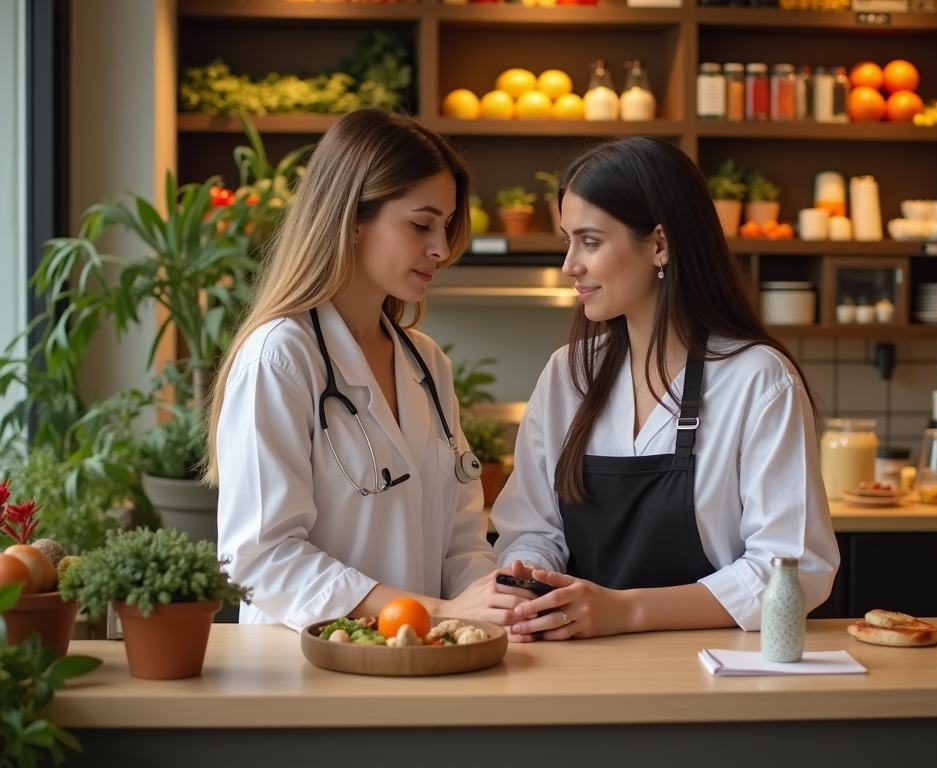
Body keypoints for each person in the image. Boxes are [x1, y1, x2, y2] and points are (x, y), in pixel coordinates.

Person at [488, 136, 840, 641]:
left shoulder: (758, 378)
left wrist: (625, 611)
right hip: (577, 661)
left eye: (589, 241)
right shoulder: (568, 375)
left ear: (659, 243)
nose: (570, 265)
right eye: (567, 240)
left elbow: (794, 568)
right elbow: (533, 529)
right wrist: (529, 579)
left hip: (716, 670)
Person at [205, 108, 525, 631]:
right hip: (303, 674)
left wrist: (491, 602)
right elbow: (261, 558)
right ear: (352, 219)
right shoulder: (281, 357)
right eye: (422, 224)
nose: (441, 249)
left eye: (445, 226)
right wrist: (434, 612)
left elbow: (460, 542)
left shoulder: (427, 364)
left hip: (414, 665)